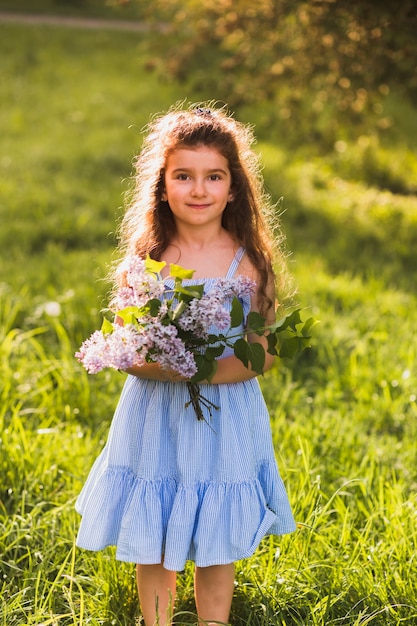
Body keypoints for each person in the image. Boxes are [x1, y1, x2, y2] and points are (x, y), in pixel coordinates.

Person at [75, 103, 296, 626]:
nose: (198, 190)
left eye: (213, 176)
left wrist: (202, 371)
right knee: (153, 526)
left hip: (225, 415)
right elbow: (131, 348)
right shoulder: (150, 257)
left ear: (233, 187)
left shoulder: (248, 263)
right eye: (183, 176)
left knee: (216, 535)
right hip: (156, 415)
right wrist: (165, 365)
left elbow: (262, 352)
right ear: (162, 184)